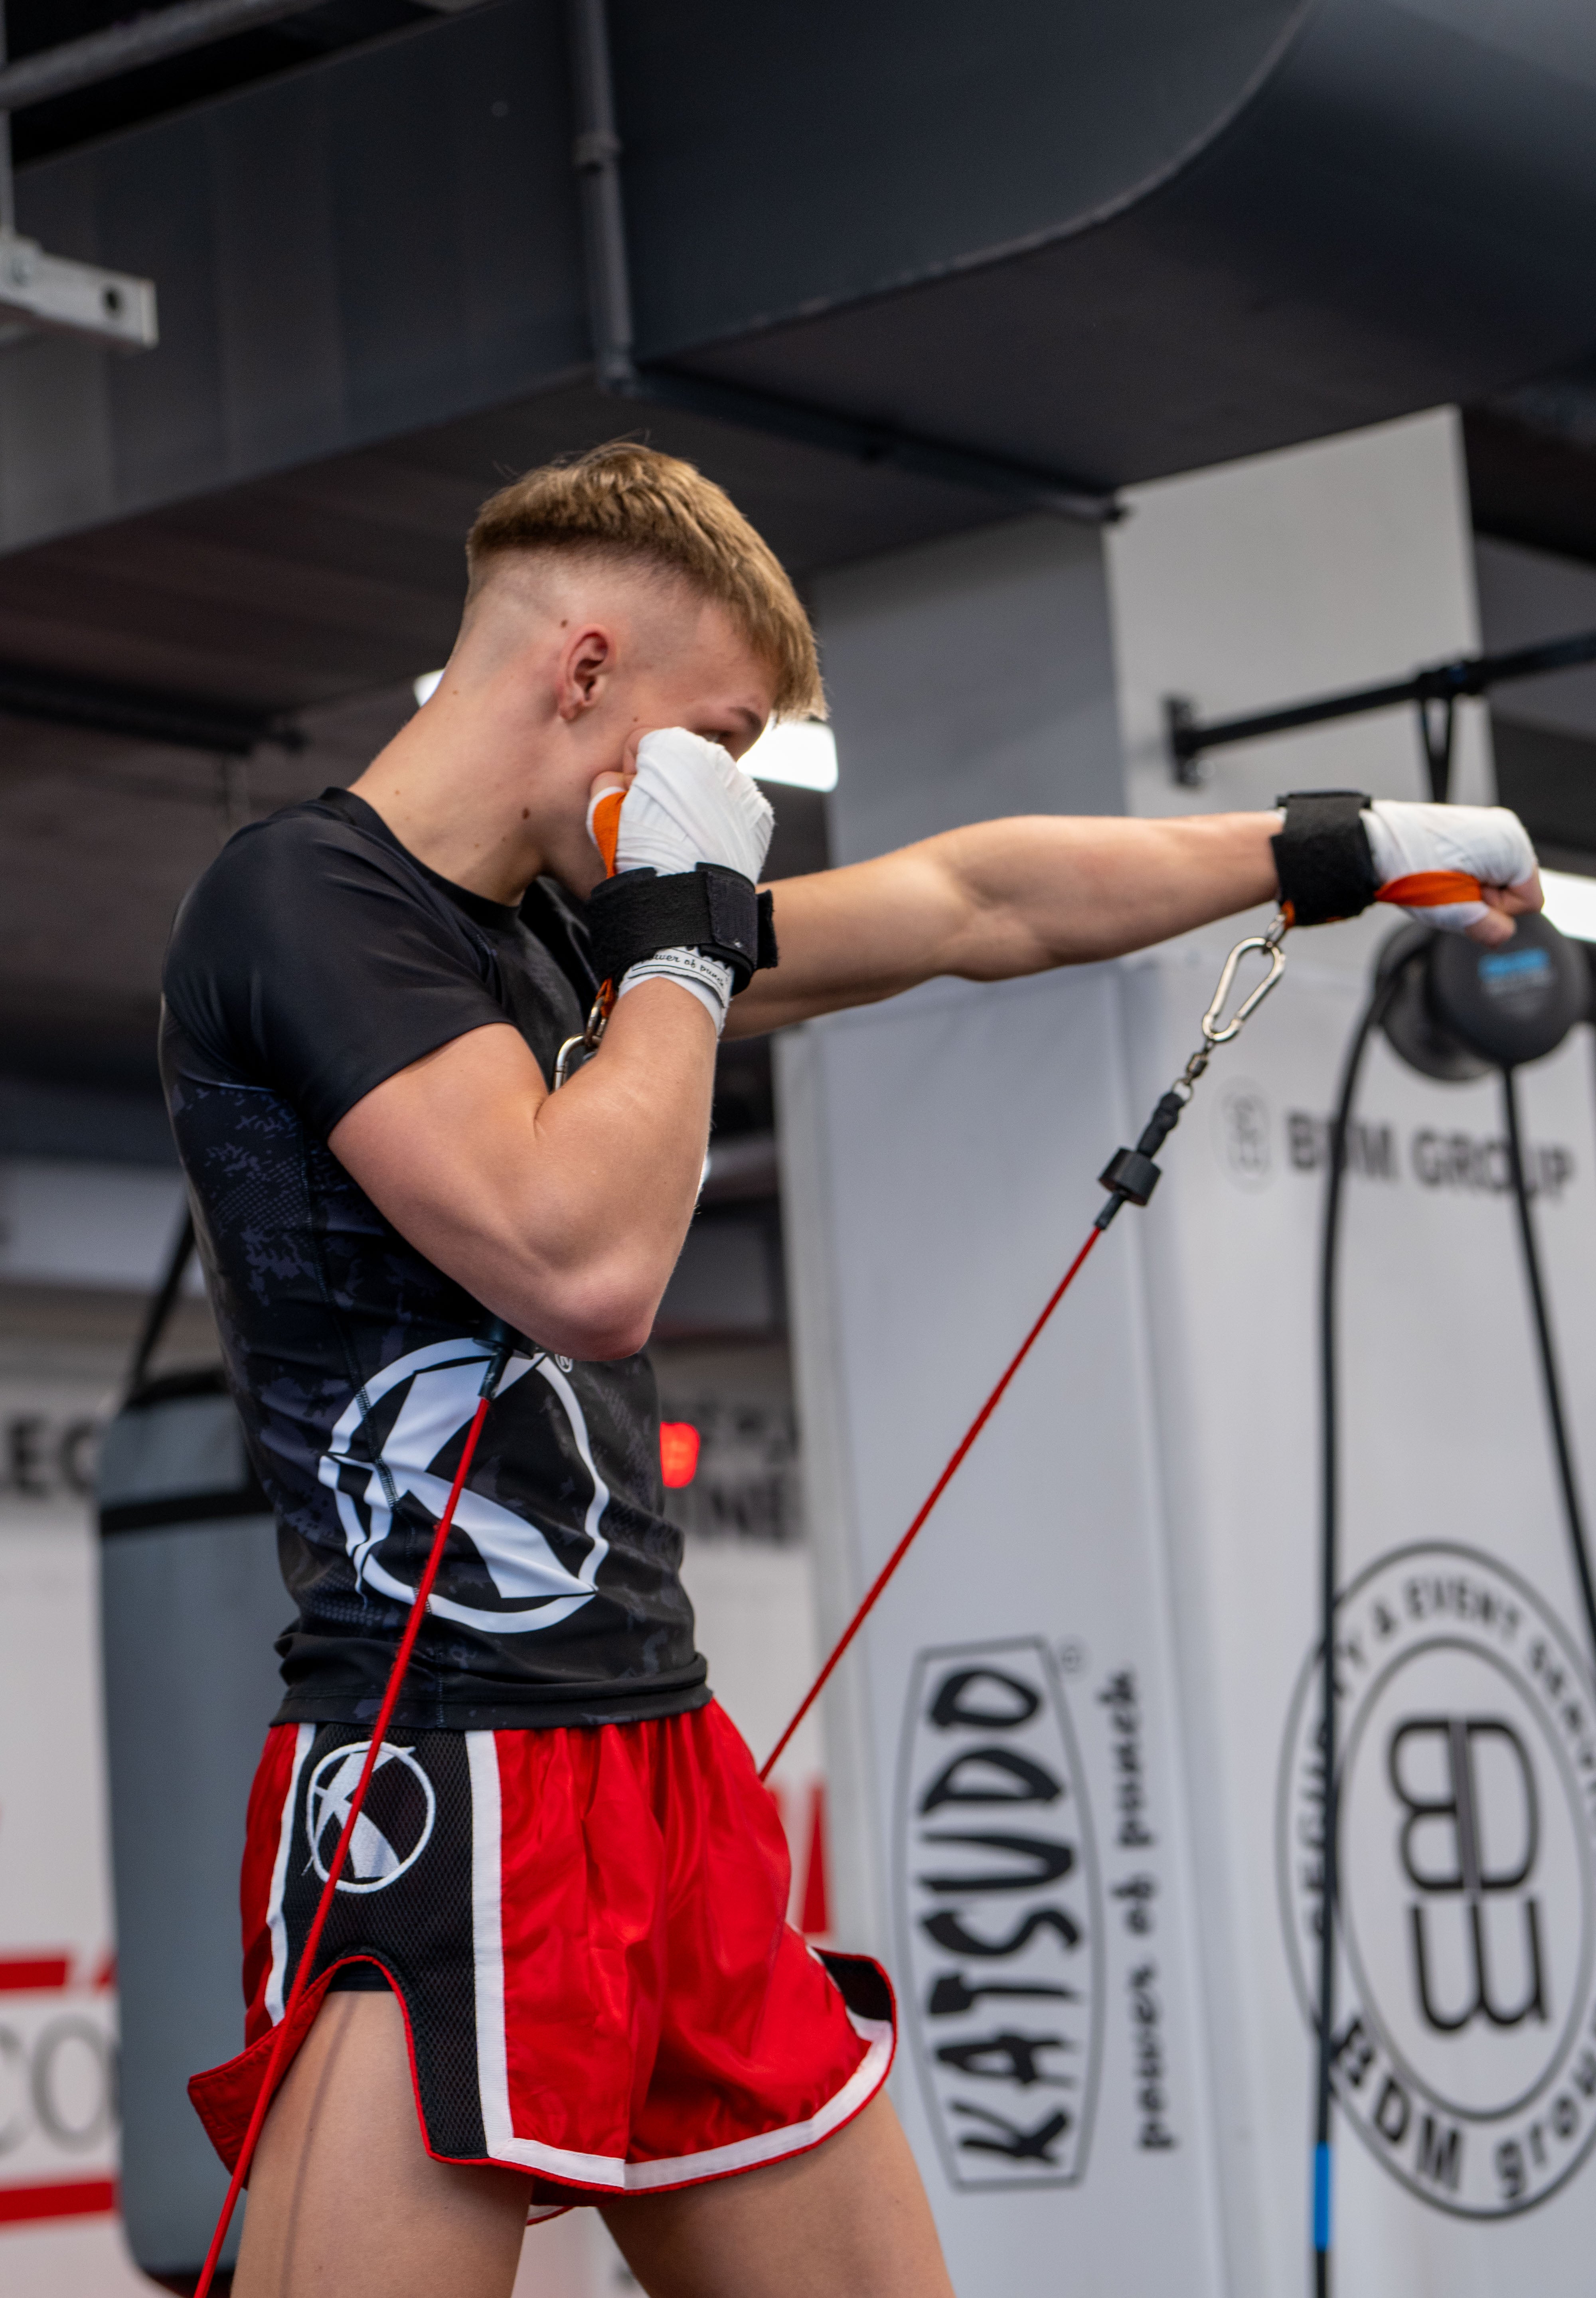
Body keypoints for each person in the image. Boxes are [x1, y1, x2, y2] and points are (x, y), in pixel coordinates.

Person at [161, 442, 1541, 2298]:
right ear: (586, 680)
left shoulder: (575, 935)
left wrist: (1336, 849)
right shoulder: (309, 904)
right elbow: (583, 1259)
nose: (734, 793)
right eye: (715, 738)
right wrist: (672, 951)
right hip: (445, 1770)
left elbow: (976, 904)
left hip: (661, 1755)